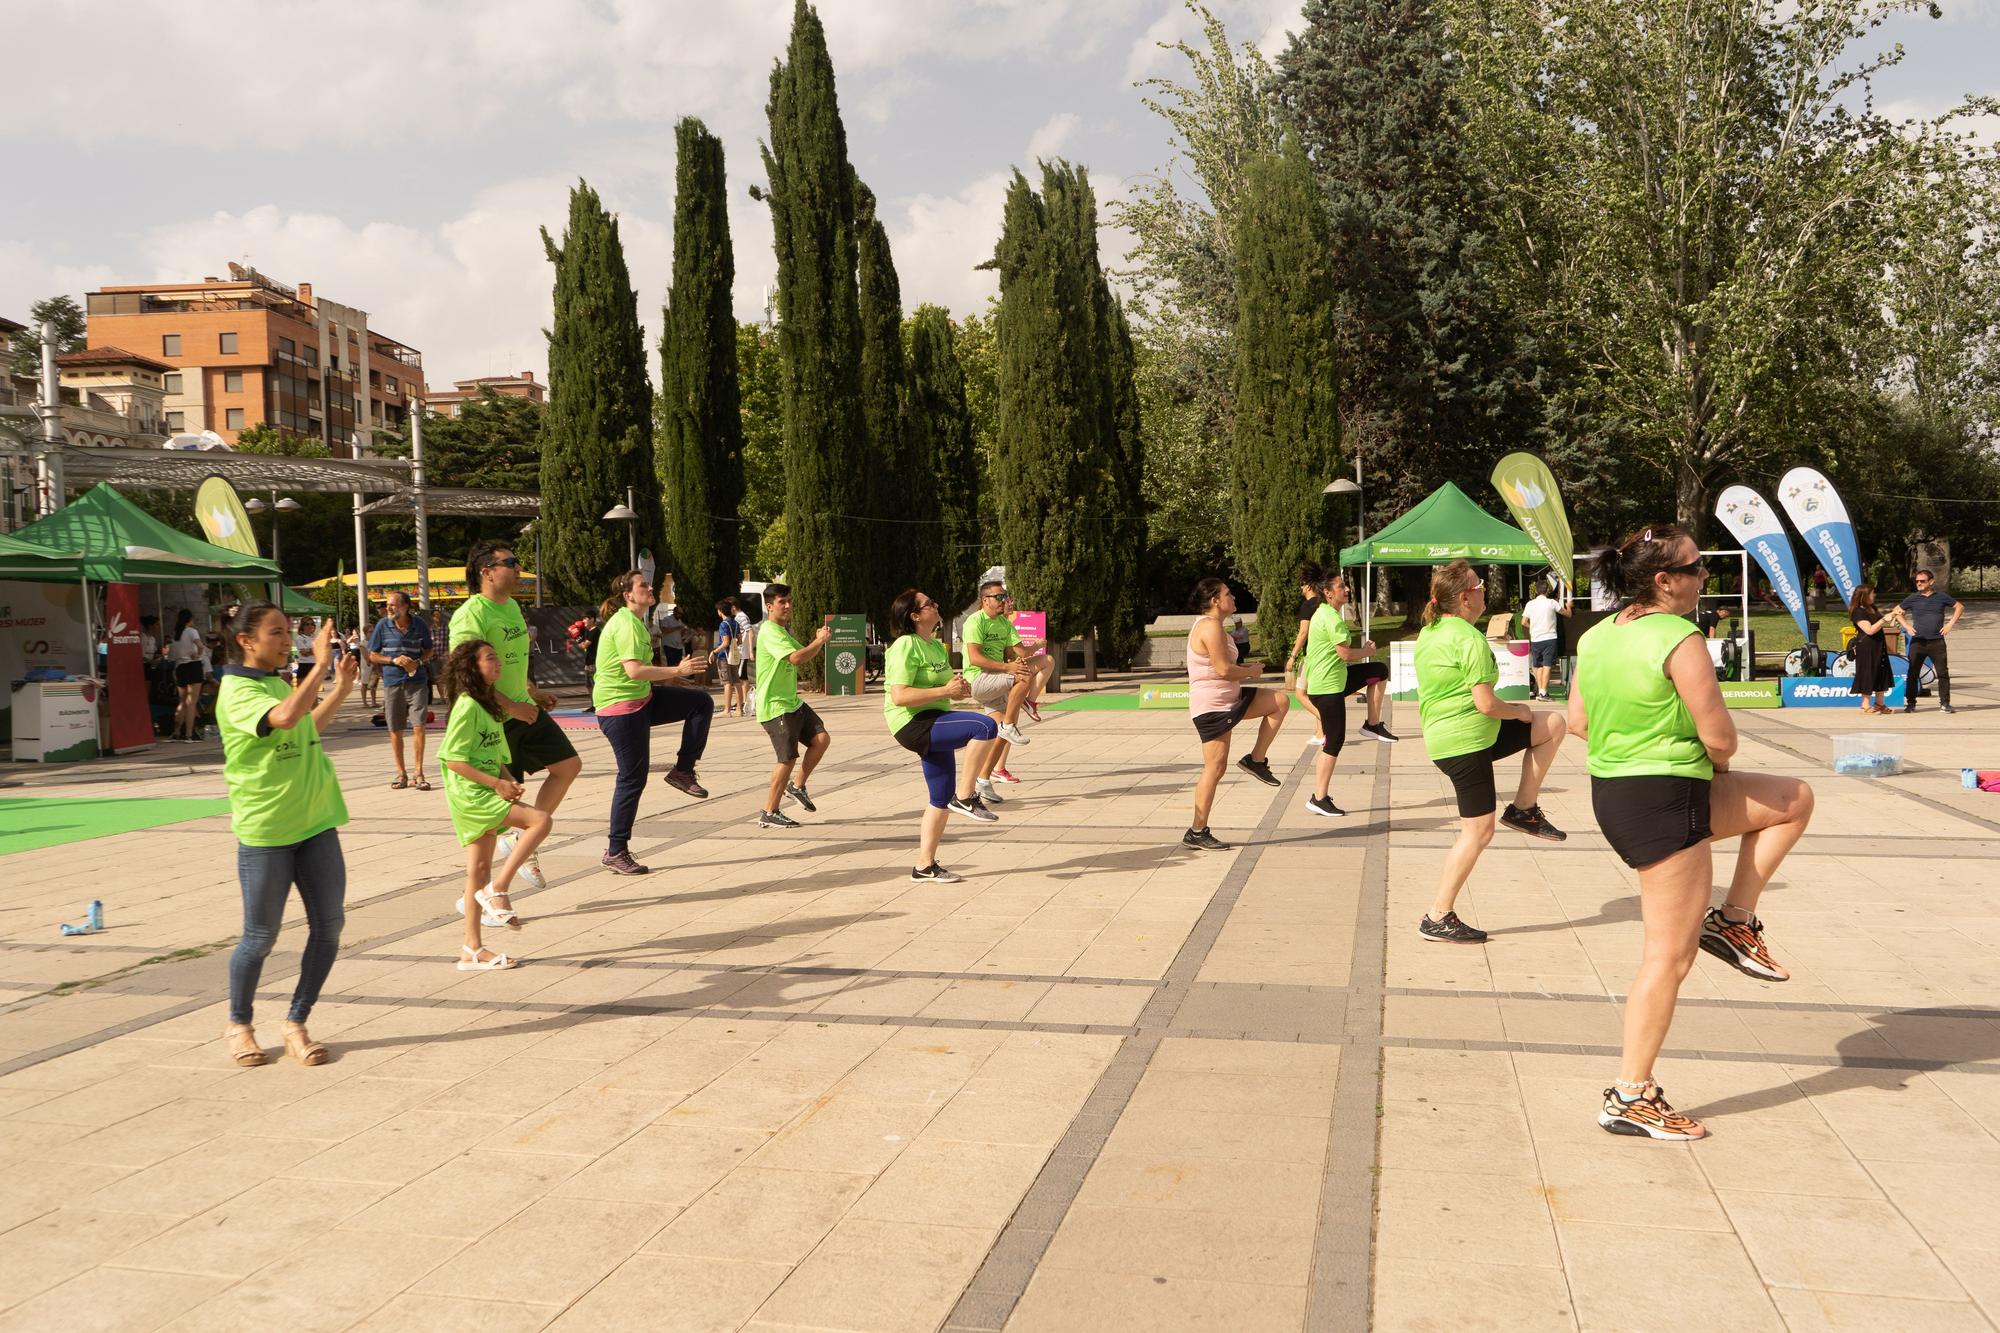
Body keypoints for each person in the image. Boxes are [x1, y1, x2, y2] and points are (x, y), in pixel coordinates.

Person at [1571, 527, 1814, 1140]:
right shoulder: (1681, 638)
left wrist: (1639, 742)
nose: (1706, 576)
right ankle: (1630, 1095)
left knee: (1792, 799)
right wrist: (1692, 755)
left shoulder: (1598, 633)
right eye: (1696, 567)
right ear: (1663, 580)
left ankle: (1734, 921)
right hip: (1666, 798)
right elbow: (1722, 739)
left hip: (1620, 793)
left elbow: (1577, 721)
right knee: (1667, 958)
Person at [215, 605, 355, 1067]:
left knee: (329, 927)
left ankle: (296, 1022)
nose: (285, 639)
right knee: (260, 936)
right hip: (268, 831)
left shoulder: (274, 682)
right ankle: (240, 1025)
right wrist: (317, 666)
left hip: (315, 823)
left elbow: (304, 726)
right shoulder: (236, 690)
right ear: (246, 641)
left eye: (288, 631)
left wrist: (340, 688)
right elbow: (284, 719)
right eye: (276, 633)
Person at [1413, 560, 1568, 943]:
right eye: (1479, 586)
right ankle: (1438, 915)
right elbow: (1486, 703)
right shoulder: (1468, 638)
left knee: (1552, 725)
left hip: (1462, 736)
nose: (1484, 590)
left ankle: (1524, 810)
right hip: (1465, 743)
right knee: (1478, 832)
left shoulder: (1433, 630)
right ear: (1465, 598)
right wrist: (1518, 710)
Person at [449, 540, 580, 894]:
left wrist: (531, 692)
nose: (519, 568)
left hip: (523, 708)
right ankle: (486, 899)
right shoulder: (471, 614)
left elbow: (507, 662)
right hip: (494, 719)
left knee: (568, 766)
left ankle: (521, 841)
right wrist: (511, 706)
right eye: (510, 562)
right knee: (501, 809)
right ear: (486, 572)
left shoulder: (511, 609)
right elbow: (468, 677)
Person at [438, 639, 549, 969]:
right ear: (472, 667)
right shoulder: (467, 705)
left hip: (485, 790)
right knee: (540, 821)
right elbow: (451, 759)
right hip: (470, 795)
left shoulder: (487, 706)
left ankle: (471, 948)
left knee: (478, 870)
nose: (498, 663)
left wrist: (506, 778)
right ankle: (498, 889)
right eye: (490, 658)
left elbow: (495, 754)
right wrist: (495, 783)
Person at [593, 570, 714, 873]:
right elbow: (634, 671)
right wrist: (676, 672)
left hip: (641, 699)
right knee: (632, 778)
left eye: (649, 583)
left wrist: (673, 683)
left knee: (700, 702)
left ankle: (682, 771)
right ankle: (615, 850)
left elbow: (641, 672)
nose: (650, 588)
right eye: (643, 585)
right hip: (621, 709)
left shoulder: (635, 622)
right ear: (628, 595)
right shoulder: (626, 624)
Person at [885, 587, 1000, 882]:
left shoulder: (935, 646)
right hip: (911, 723)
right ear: (914, 616)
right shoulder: (905, 645)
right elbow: (899, 696)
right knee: (985, 726)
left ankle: (924, 866)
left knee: (939, 798)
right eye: (929, 603)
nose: (936, 605)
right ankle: (965, 796)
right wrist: (945, 691)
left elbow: (946, 689)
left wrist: (959, 690)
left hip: (936, 718)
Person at [1183, 578, 1288, 851]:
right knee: (1215, 769)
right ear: (1215, 601)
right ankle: (1197, 831)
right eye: (1228, 594)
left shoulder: (1217, 627)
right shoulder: (1209, 626)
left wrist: (1245, 671)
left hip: (1230, 699)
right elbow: (1223, 670)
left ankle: (1256, 760)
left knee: (1279, 701)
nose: (1234, 598)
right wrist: (1251, 671)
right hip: (1213, 706)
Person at [1300, 570, 1397, 818]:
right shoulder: (1330, 618)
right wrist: (1365, 651)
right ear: (1328, 593)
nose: (1347, 589)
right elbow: (1344, 654)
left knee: (1379, 670)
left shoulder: (1325, 613)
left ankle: (1372, 724)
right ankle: (1318, 798)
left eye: (1346, 586)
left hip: (1335, 682)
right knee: (1334, 742)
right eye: (1342, 586)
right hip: (1327, 688)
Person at [962, 580, 1054, 807]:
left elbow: (1019, 652)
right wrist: (1009, 667)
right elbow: (974, 658)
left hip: (996, 679)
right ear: (985, 600)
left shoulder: (1004, 623)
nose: (1004, 600)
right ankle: (1013, 720)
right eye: (999, 597)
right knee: (1022, 674)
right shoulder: (975, 621)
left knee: (1045, 660)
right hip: (979, 679)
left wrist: (1035, 646)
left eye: (1005, 596)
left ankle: (983, 780)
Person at [754, 583, 833, 828]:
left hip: (792, 703)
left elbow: (802, 653)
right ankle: (770, 811)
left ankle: (796, 786)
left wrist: (818, 641)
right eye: (782, 602)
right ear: (769, 606)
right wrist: (819, 641)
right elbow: (797, 658)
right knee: (786, 759)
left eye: (789, 601)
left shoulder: (782, 631)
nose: (788, 606)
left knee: (821, 739)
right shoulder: (769, 631)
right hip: (775, 706)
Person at [367, 590, 435, 790]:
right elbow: (372, 655)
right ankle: (401, 773)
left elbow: (429, 650)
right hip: (393, 682)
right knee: (395, 729)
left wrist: (418, 662)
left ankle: (419, 773)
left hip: (417, 682)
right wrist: (393, 660)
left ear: (405, 607)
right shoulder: (382, 626)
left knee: (419, 726)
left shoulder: (419, 625)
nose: (388, 608)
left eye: (393, 605)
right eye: (388, 605)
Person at [1898, 568, 1962, 714]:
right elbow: (1897, 611)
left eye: (1922, 581)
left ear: (1931, 582)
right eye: (1917, 581)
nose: (1919, 583)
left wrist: (1950, 624)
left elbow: (1959, 607)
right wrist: (1907, 626)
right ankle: (1911, 703)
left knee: (1942, 673)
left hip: (1936, 642)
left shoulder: (1941, 597)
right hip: (1918, 642)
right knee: (1912, 673)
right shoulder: (1912, 598)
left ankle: (1945, 704)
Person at [1286, 562, 1325, 744]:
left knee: (1300, 694)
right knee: (1316, 695)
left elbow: (1303, 633)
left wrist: (1292, 656)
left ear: (1308, 585)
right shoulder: (1324, 604)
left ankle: (1326, 720)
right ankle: (1320, 733)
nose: (1300, 588)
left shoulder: (1308, 606)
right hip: (1323, 655)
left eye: (1302, 584)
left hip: (1311, 656)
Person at [1847, 585, 1895, 714]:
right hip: (1867, 647)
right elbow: (1869, 630)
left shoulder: (1872, 608)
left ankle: (1880, 704)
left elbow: (1879, 624)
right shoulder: (1858, 612)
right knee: (1867, 672)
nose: (1874, 595)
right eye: (1872, 593)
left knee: (1881, 671)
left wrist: (1892, 615)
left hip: (1879, 645)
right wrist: (1884, 619)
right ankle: (1865, 704)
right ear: (1864, 596)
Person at [1521, 578, 1571, 701]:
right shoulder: (1552, 603)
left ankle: (1541, 692)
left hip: (1536, 638)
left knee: (1538, 666)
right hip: (1549, 637)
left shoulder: (1530, 604)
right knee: (1547, 665)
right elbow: (1568, 614)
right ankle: (1543, 693)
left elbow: (1524, 622)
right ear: (1547, 590)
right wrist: (1569, 606)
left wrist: (1532, 627)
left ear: (1536, 591)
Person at [167, 608, 208, 743]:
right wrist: (199, 654)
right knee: (192, 702)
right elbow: (200, 645)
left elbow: (171, 655)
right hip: (193, 665)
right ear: (189, 619)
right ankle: (189, 734)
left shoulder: (176, 634)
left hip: (180, 667)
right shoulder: (192, 631)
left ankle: (176, 731)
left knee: (182, 701)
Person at [715, 599, 748, 718]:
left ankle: (727, 710)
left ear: (720, 611)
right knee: (737, 682)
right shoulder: (735, 623)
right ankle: (739, 709)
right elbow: (739, 640)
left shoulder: (723, 624)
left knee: (727, 683)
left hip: (724, 656)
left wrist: (714, 651)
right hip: (734, 656)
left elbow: (725, 642)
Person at [656, 599, 687, 667]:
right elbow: (664, 631)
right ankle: (672, 677)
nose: (680, 615)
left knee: (678, 665)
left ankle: (677, 677)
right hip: (669, 645)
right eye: (679, 613)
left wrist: (684, 632)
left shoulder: (680, 621)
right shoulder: (666, 619)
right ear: (674, 612)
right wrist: (677, 628)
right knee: (671, 665)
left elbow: (681, 633)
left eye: (681, 614)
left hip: (678, 646)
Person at [293, 617, 317, 687]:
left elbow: (320, 650)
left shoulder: (315, 637)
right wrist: (313, 650)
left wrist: (309, 650)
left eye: (312, 624)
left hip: (315, 664)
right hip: (304, 664)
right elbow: (304, 653)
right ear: (303, 626)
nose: (310, 626)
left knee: (314, 688)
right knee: (301, 688)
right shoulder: (299, 638)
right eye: (307, 624)